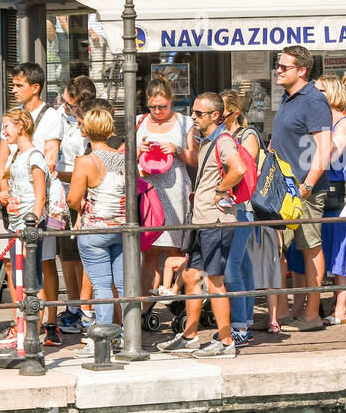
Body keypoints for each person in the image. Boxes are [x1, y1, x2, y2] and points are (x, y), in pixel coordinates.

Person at [157, 92, 247, 360]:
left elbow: (238, 168)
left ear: (215, 116)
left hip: (216, 221)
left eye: (198, 113)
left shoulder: (223, 140)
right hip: (203, 220)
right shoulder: (207, 140)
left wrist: (220, 189)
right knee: (189, 275)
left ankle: (226, 341)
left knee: (215, 281)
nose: (193, 117)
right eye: (193, 112)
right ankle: (189, 335)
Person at [0, 61, 66, 343]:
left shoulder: (50, 116)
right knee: (16, 264)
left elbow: (49, 157)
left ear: (35, 88)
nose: (14, 90)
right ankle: (21, 320)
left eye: (19, 85)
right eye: (13, 85)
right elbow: (2, 159)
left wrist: (35, 204)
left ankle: (49, 322)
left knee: (44, 261)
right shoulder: (13, 118)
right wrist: (5, 192)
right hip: (15, 200)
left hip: (37, 202)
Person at [272, 45, 332, 332]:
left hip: (304, 187)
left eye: (284, 66)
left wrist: (308, 183)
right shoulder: (288, 97)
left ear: (302, 70)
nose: (278, 70)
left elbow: (325, 147)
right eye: (278, 65)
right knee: (277, 247)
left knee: (310, 247)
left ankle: (311, 313)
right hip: (282, 187)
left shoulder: (313, 100)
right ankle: (281, 312)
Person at [67, 104, 127, 346]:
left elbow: (73, 198)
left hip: (94, 229)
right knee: (124, 285)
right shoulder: (123, 158)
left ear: (86, 131)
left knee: (101, 286)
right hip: (122, 228)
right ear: (110, 130)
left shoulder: (85, 162)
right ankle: (127, 335)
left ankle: (103, 338)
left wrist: (80, 205)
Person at [134, 76, 195, 300]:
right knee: (149, 251)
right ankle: (144, 306)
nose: (157, 111)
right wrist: (138, 150)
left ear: (172, 101)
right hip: (148, 191)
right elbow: (126, 157)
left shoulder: (184, 122)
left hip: (175, 190)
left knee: (175, 250)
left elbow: (196, 159)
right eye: (153, 106)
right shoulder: (140, 121)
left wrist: (177, 149)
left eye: (162, 106)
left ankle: (179, 301)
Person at [223, 89, 271, 342]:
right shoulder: (220, 136)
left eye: (221, 112)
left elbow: (243, 169)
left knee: (231, 268)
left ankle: (240, 325)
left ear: (234, 113)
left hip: (244, 207)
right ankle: (247, 321)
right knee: (243, 265)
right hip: (231, 208)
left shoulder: (247, 134)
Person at [0, 108, 49, 321]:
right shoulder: (18, 155)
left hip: (28, 226)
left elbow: (40, 196)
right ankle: (22, 326)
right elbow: (21, 189)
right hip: (16, 223)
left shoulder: (35, 156)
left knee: (32, 278)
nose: (3, 132)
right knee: (20, 278)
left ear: (20, 126)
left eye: (6, 126)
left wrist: (32, 228)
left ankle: (33, 328)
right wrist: (5, 196)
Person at [54, 74, 97, 336]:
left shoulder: (89, 128)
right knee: (66, 254)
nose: (64, 107)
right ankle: (72, 304)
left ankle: (85, 308)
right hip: (61, 194)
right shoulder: (59, 118)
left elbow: (89, 168)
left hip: (79, 192)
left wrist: (59, 174)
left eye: (69, 105)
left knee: (83, 256)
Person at [315, 75, 346, 326]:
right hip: (317, 189)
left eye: (320, 90)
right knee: (319, 249)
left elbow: (332, 153)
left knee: (342, 250)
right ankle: (320, 303)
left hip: (337, 191)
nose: (314, 94)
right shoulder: (317, 120)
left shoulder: (343, 121)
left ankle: (341, 309)